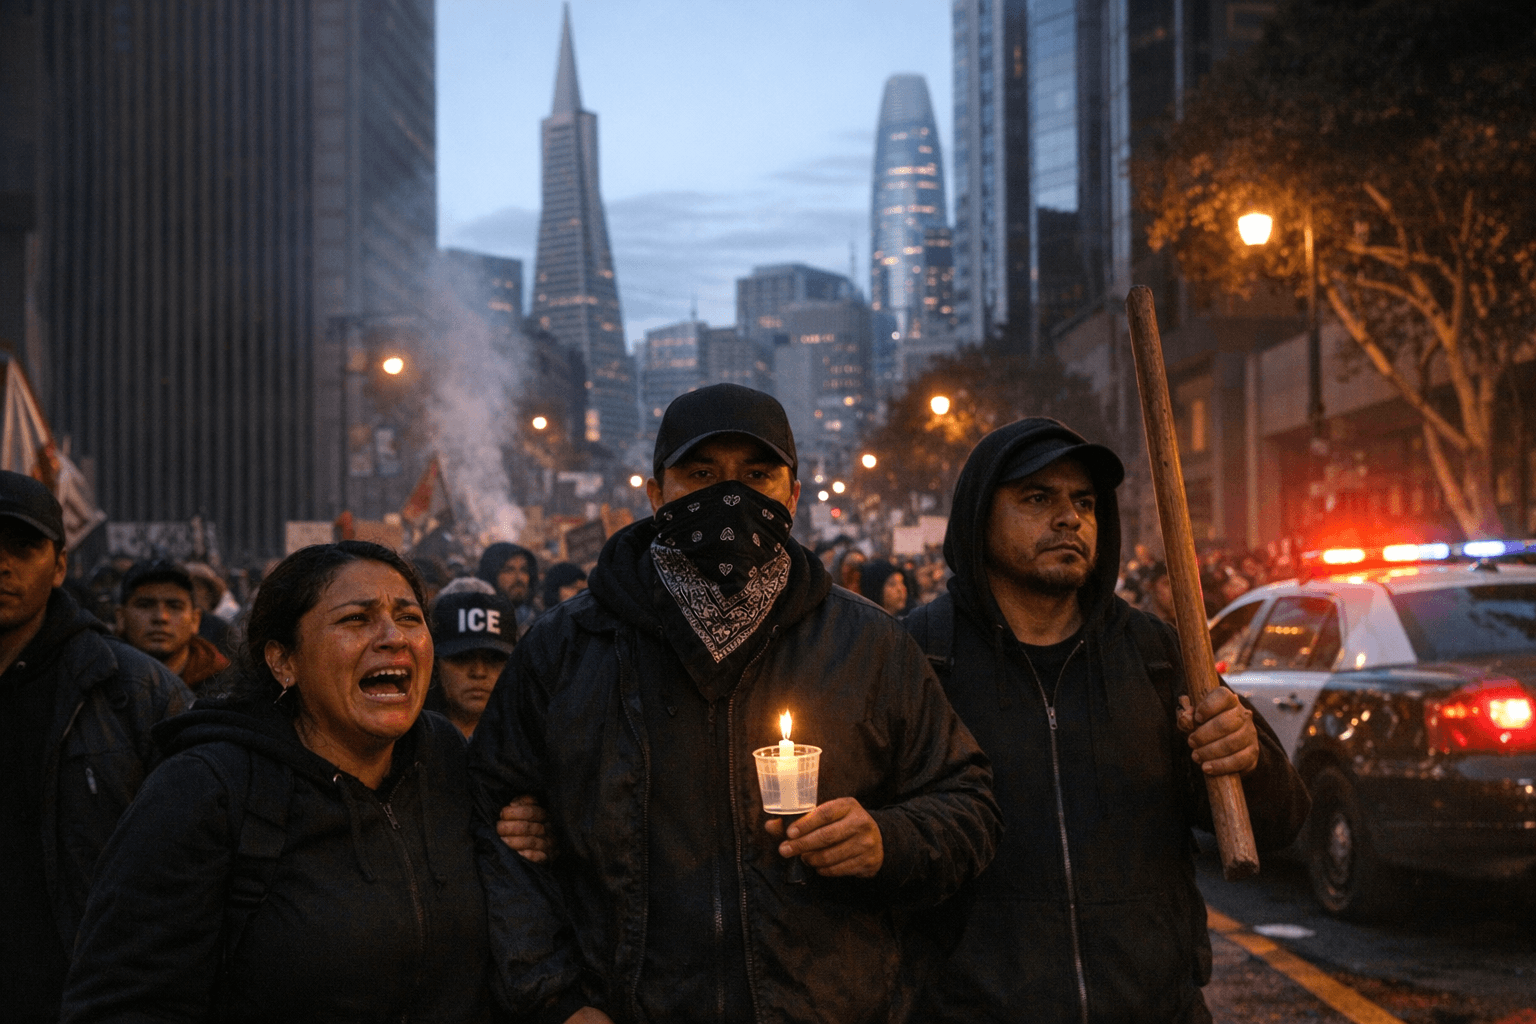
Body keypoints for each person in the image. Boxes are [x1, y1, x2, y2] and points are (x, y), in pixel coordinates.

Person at [471, 383, 999, 1024]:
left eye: (756, 476)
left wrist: (888, 840)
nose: (731, 498)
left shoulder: (867, 644)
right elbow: (493, 833)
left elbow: (967, 805)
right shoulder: (566, 648)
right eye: (702, 475)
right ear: (656, 494)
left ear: (793, 496)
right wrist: (557, 1000)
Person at [903, 418, 1309, 1024]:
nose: (1069, 518)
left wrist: (1246, 758)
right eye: (1037, 498)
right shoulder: (919, 659)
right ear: (978, 516)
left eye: (1084, 502)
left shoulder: (1156, 654)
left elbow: (1282, 820)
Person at [62, 541, 492, 1023]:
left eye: (409, 618)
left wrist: (530, 825)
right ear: (283, 661)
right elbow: (122, 1004)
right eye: (356, 619)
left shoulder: (447, 760)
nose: (393, 637)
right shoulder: (203, 791)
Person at [0, 472, 192, 1022]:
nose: (3, 564)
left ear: (59, 565)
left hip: (85, 997)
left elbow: (193, 868)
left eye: (23, 546)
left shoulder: (135, 692)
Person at [116, 560, 231, 689]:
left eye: (174, 606)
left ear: (195, 620)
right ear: (121, 617)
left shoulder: (229, 687)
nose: (161, 617)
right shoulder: (100, 680)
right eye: (145, 605)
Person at [428, 588, 517, 738]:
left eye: (494, 659)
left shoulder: (534, 741)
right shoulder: (402, 741)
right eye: (462, 658)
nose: (478, 672)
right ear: (435, 664)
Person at [477, 541, 540, 627]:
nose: (519, 578)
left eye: (524, 570)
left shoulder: (540, 622)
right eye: (509, 570)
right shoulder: (476, 623)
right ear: (491, 575)